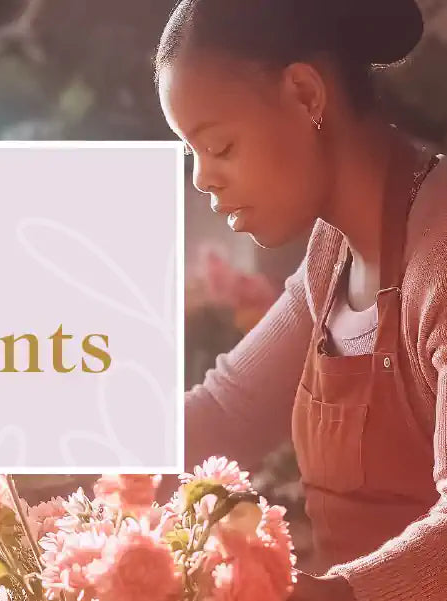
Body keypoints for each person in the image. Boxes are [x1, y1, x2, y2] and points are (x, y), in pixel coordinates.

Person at [155, 0, 447, 599]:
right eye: (193, 155)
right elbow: (225, 413)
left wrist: (319, 594)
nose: (202, 180)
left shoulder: (438, 264)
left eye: (221, 147)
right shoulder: (330, 256)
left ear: (306, 95)